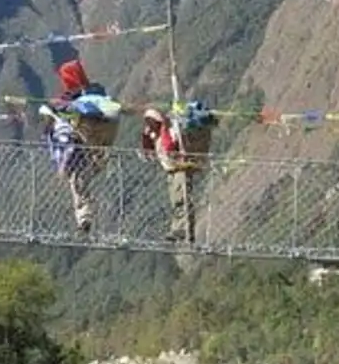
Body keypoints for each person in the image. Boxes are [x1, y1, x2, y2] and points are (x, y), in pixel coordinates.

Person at [39, 59, 120, 232]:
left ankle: (84, 215)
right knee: (79, 179)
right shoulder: (97, 95)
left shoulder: (78, 99)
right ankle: (84, 216)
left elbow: (57, 112)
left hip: (82, 143)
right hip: (98, 146)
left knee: (77, 178)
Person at [139, 99, 215, 242]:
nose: (149, 123)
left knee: (182, 199)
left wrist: (164, 130)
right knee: (176, 201)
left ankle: (185, 230)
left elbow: (169, 147)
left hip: (180, 168)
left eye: (151, 120)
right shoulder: (154, 135)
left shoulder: (170, 131)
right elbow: (147, 152)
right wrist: (146, 136)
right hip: (171, 170)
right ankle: (179, 229)